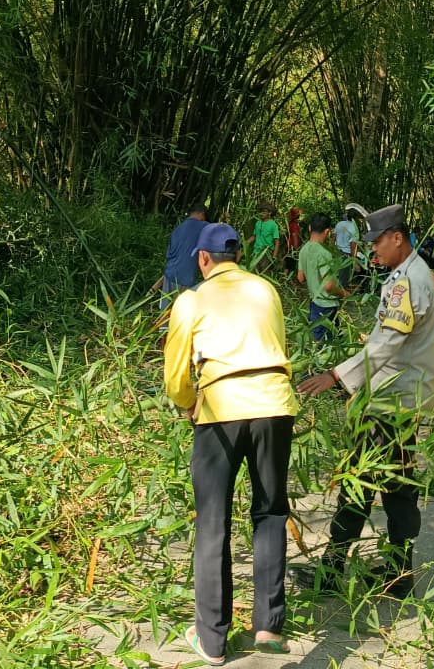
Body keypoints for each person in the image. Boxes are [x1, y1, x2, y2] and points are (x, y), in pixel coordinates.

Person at [164, 222, 298, 664]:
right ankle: (268, 627)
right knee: (271, 512)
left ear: (203, 259)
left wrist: (188, 402)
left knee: (212, 520)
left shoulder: (192, 299)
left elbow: (175, 375)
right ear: (238, 255)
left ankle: (212, 639)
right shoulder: (266, 290)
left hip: (221, 410)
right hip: (274, 406)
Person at [298, 204, 434, 599]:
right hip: (400, 400)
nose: (373, 249)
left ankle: (336, 570)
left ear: (397, 237)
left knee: (360, 482)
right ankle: (398, 573)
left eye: (377, 242)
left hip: (390, 404)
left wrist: (336, 376)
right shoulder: (411, 273)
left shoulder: (406, 282)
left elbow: (387, 344)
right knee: (396, 484)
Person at [296, 212, 348, 342]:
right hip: (327, 307)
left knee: (319, 340)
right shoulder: (324, 252)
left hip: (314, 302)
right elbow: (329, 286)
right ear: (327, 231)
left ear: (309, 228)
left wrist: (312, 277)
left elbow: (300, 278)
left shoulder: (304, 249)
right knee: (328, 342)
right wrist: (343, 293)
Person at [159, 202, 209, 307]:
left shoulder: (178, 229)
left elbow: (169, 254)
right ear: (202, 214)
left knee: (164, 312)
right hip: (186, 278)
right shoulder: (205, 227)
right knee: (181, 311)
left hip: (169, 274)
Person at [332, 208, 361, 288]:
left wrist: (332, 251)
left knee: (338, 274)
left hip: (337, 252)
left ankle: (338, 289)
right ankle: (342, 292)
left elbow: (333, 238)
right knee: (344, 278)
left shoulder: (339, 224)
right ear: (355, 218)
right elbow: (353, 246)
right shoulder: (353, 228)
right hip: (346, 255)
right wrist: (355, 261)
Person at [248, 202, 280, 271]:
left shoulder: (273, 225)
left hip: (266, 253)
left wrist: (274, 256)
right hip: (256, 252)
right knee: (254, 272)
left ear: (269, 213)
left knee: (263, 272)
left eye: (264, 212)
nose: (261, 214)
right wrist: (245, 243)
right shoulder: (258, 223)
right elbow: (254, 236)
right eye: (260, 212)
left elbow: (277, 241)